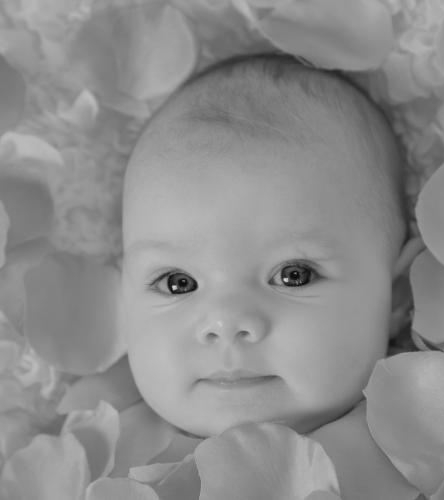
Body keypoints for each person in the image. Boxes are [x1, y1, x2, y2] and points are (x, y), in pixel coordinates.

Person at [119, 53, 421, 497]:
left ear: (397, 295)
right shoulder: (105, 450)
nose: (225, 321)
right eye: (177, 283)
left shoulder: (429, 448)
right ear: (124, 301)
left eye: (293, 275)